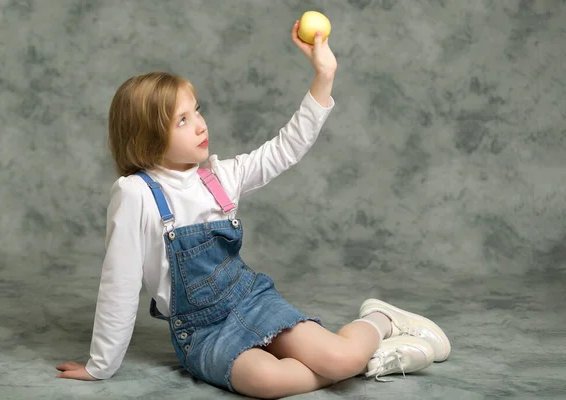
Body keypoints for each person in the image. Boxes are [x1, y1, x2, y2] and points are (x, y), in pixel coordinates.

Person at [56, 20, 451, 399]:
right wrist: (101, 364)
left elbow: (286, 147)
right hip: (203, 332)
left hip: (252, 301)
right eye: (182, 120)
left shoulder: (220, 176)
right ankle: (371, 361)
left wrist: (324, 76)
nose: (199, 124)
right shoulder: (135, 194)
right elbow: (119, 283)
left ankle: (380, 320)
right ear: (146, 138)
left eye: (196, 110)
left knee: (340, 357)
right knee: (267, 381)